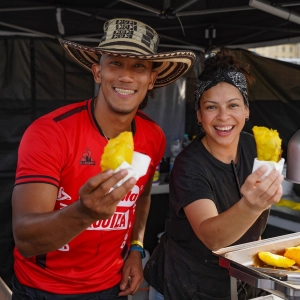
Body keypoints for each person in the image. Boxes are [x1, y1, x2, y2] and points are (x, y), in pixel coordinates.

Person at [11, 18, 196, 299]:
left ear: (151, 79)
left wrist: (136, 248)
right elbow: (25, 239)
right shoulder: (51, 132)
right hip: (44, 289)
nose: (126, 76)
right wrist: (83, 213)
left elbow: (142, 197)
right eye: (115, 64)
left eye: (138, 67)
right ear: (97, 72)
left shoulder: (152, 136)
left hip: (112, 286)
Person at [144, 47, 284, 299]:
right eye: (211, 107)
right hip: (188, 283)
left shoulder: (253, 146)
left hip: (242, 277)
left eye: (233, 105)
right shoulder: (189, 165)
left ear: (246, 111)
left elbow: (255, 228)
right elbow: (212, 238)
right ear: (198, 115)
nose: (223, 117)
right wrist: (251, 206)